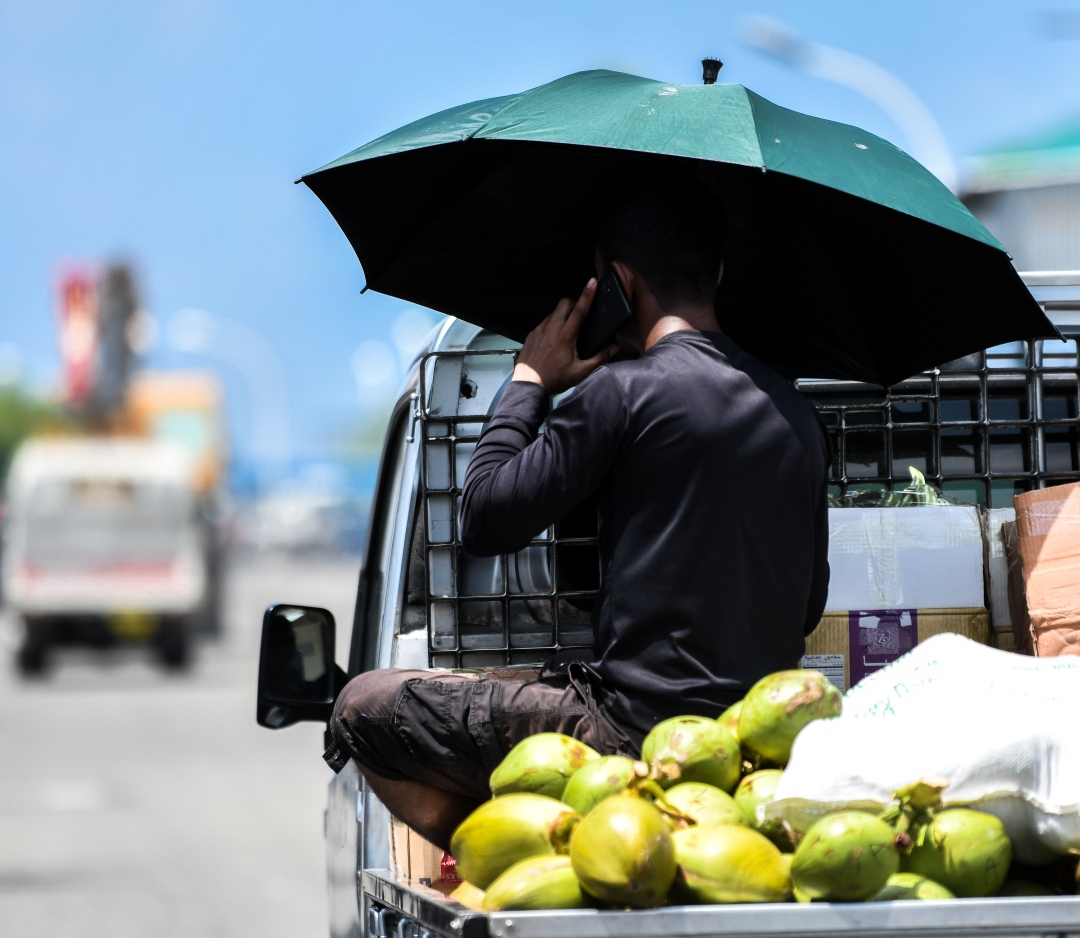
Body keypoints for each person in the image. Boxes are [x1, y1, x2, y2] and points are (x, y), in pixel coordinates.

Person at [323, 177, 829, 848]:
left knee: (360, 708)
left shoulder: (619, 394)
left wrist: (531, 380)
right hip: (751, 746)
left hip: (627, 736)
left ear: (617, 281)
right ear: (719, 272)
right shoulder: (797, 413)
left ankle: (513, 856)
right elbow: (810, 605)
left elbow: (483, 515)